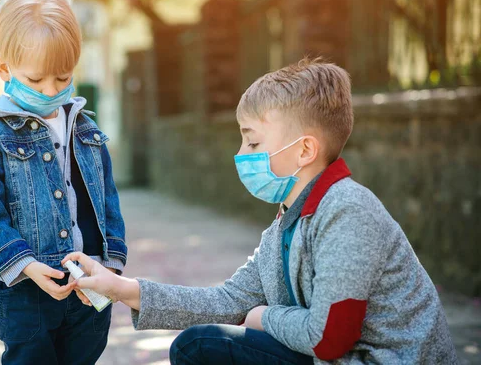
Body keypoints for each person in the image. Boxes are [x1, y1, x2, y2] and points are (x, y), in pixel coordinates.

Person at [63, 58, 458, 364]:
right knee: (210, 337)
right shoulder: (290, 220)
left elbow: (329, 338)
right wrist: (120, 289)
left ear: (304, 150)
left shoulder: (348, 212)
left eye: (252, 143)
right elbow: (229, 301)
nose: (240, 155)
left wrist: (263, 317)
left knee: (201, 347)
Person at [0, 0, 126, 365]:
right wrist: (26, 266)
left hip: (88, 286)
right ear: (4, 68)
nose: (51, 90)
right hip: (27, 291)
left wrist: (111, 265)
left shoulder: (86, 127)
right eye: (35, 80)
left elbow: (108, 200)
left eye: (62, 77)